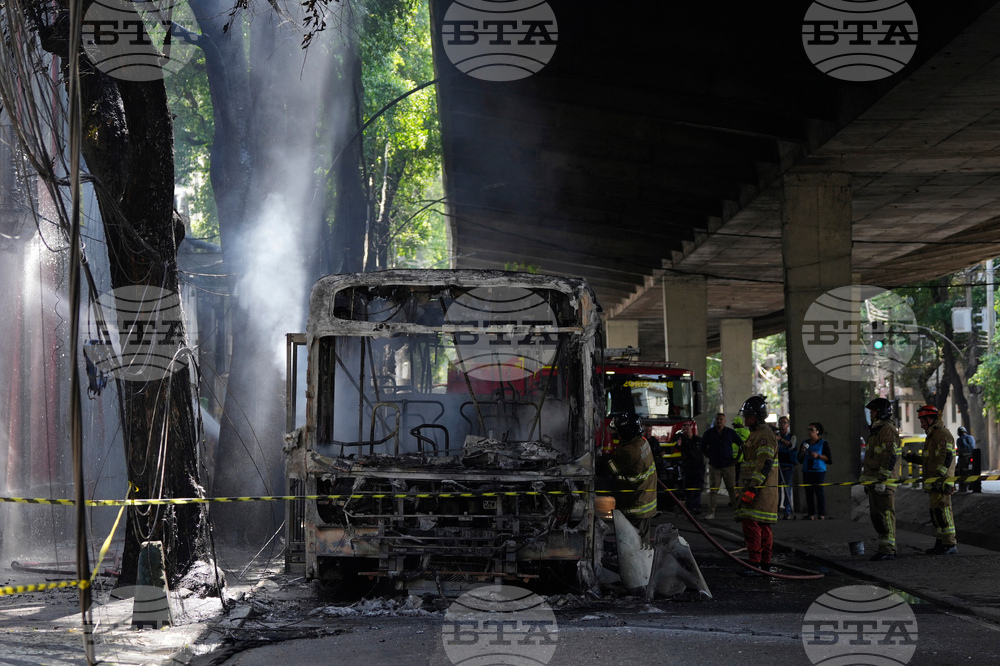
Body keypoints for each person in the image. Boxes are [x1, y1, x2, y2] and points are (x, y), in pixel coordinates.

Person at [904, 405, 959, 555]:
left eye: (922, 421)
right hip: (934, 482)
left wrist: (939, 478)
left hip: (941, 482)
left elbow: (946, 456)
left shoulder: (942, 434)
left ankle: (950, 544)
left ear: (930, 419)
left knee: (943, 512)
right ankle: (941, 542)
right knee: (936, 514)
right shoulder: (932, 435)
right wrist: (913, 458)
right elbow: (931, 461)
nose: (921, 424)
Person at [733, 395, 779, 575]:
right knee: (760, 525)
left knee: (753, 525)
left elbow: (764, 464)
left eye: (749, 415)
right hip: (756, 487)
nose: (745, 418)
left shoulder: (764, 436)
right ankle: (763, 564)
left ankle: (756, 564)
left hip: (759, 489)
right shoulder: (756, 433)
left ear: (758, 416)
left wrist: (753, 487)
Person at [604, 413, 657, 543]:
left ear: (626, 433)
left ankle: (640, 563)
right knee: (641, 542)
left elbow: (608, 470)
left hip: (635, 506)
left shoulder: (628, 452)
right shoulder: (642, 442)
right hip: (645, 499)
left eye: (618, 432)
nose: (616, 434)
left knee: (634, 545)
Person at [862, 398, 902, 561]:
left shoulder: (887, 429)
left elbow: (890, 455)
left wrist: (882, 479)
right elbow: (872, 458)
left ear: (881, 412)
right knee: (877, 517)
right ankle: (885, 547)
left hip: (883, 483)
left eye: (873, 411)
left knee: (885, 515)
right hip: (875, 482)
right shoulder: (876, 431)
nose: (871, 414)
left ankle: (888, 549)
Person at [700, 413, 741, 520]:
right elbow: (702, 446)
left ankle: (736, 511)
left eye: (721, 419)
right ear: (715, 420)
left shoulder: (730, 432)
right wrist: (709, 455)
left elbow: (741, 445)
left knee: (731, 489)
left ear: (725, 421)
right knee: (713, 490)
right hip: (715, 466)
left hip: (729, 465)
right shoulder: (709, 433)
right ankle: (711, 512)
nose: (719, 421)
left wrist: (737, 459)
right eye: (717, 419)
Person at [798, 422, 832, 520]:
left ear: (817, 431)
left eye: (812, 430)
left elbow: (829, 458)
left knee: (819, 492)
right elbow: (799, 459)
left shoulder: (823, 443)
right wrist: (802, 452)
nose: (809, 432)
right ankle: (811, 514)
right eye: (808, 430)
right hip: (807, 470)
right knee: (808, 493)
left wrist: (818, 456)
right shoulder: (805, 443)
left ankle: (821, 514)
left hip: (818, 471)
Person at [675, 422, 705, 515]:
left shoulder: (698, 440)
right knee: (687, 488)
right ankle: (689, 506)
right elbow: (678, 450)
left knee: (697, 488)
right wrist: (678, 444)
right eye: (683, 430)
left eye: (687, 429)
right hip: (688, 469)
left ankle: (696, 506)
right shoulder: (682, 442)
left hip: (698, 468)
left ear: (691, 429)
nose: (685, 432)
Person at [776, 416, 797, 520]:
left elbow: (791, 446)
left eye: (785, 423)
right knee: (776, 490)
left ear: (788, 425)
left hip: (788, 466)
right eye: (781, 423)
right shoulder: (775, 436)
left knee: (787, 489)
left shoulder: (792, 436)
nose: (782, 425)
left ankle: (787, 511)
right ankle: (775, 511)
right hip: (777, 466)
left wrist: (781, 439)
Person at [956, 426, 976, 492]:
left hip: (963, 458)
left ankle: (962, 487)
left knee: (961, 471)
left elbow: (960, 449)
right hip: (972, 457)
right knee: (973, 471)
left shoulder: (959, 440)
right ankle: (973, 485)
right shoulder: (971, 438)